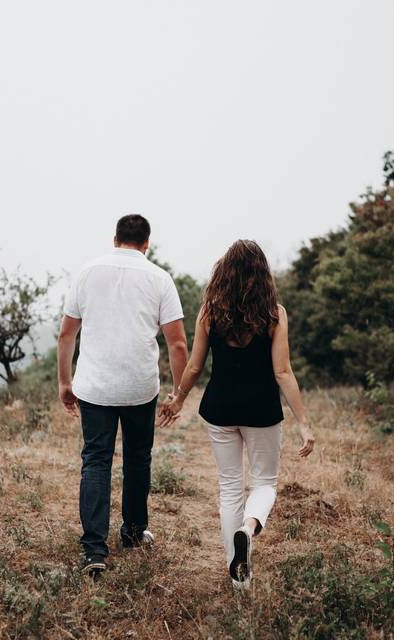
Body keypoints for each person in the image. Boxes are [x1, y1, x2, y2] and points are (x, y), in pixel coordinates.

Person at [158, 239, 315, 589]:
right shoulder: (274, 313)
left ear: (224, 272)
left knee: (229, 488)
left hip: (220, 408)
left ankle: (239, 580)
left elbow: (195, 366)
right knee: (264, 484)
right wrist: (304, 423)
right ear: (262, 274)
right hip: (261, 410)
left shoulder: (210, 312)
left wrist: (179, 399)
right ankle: (250, 527)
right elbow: (283, 372)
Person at [57, 214, 189, 577]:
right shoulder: (159, 278)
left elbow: (67, 335)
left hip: (95, 386)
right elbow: (177, 343)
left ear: (115, 239)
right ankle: (132, 532)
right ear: (147, 243)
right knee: (137, 458)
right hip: (139, 387)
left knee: (96, 460)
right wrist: (179, 393)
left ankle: (94, 550)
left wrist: (64, 383)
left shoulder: (87, 272)